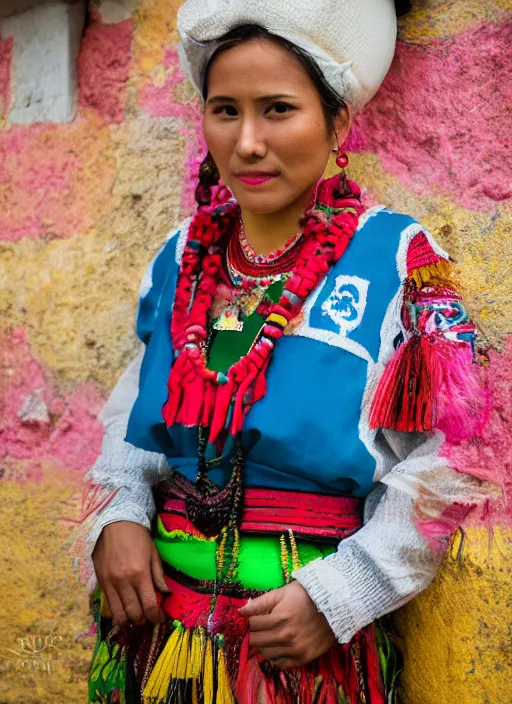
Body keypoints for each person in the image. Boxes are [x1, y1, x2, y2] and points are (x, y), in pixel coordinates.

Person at [79, 1, 492, 702]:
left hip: (302, 658)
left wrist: (344, 593)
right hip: (164, 637)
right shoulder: (183, 257)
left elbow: (449, 458)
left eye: (277, 109)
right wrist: (117, 515)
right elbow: (133, 409)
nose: (245, 143)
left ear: (337, 122)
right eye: (225, 110)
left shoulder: (397, 260)